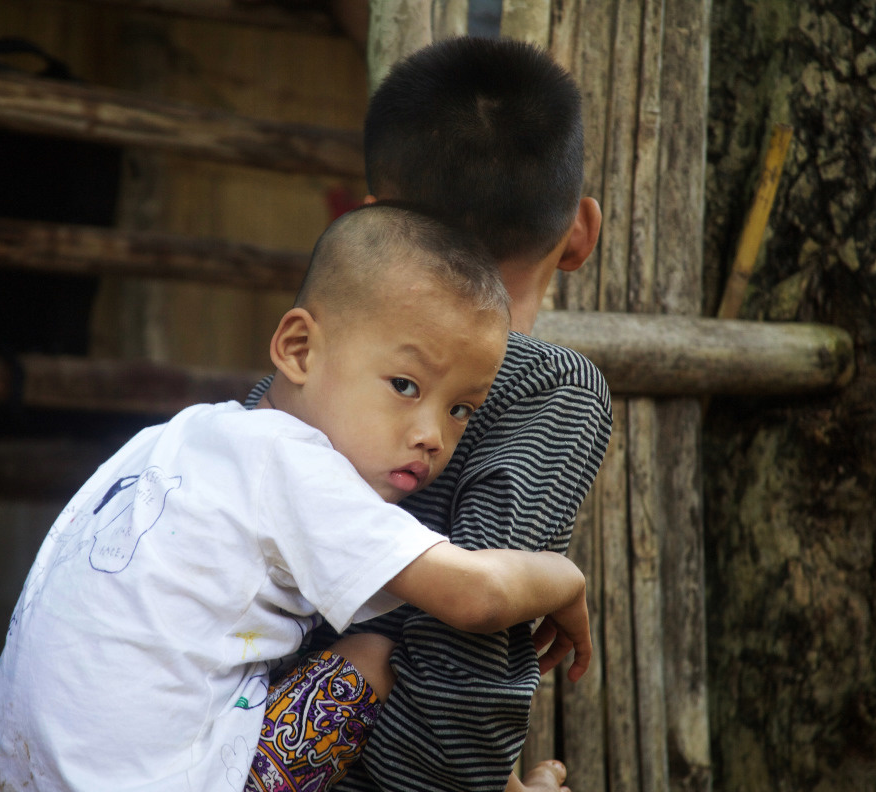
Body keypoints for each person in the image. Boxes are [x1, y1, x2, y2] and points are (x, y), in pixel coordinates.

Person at [0, 203, 593, 792]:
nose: (432, 436)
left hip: (17, 775)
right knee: (380, 652)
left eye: (461, 409)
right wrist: (564, 578)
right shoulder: (295, 468)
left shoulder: (179, 437)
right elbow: (475, 595)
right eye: (405, 385)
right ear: (298, 349)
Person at [246, 37, 612, 792]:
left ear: (377, 217)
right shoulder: (551, 385)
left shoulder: (319, 370)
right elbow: (461, 680)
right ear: (580, 233)